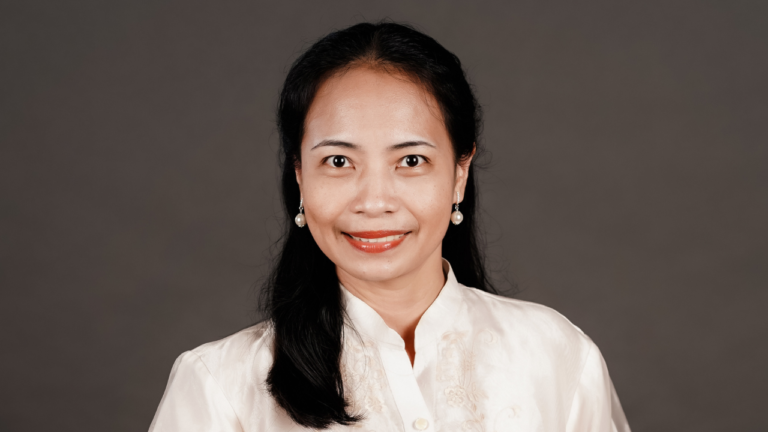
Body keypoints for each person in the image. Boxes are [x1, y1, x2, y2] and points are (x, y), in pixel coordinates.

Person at [149, 22, 631, 432]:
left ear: (459, 175)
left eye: (411, 160)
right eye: (339, 161)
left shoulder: (556, 356)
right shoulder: (219, 386)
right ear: (299, 175)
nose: (374, 202)